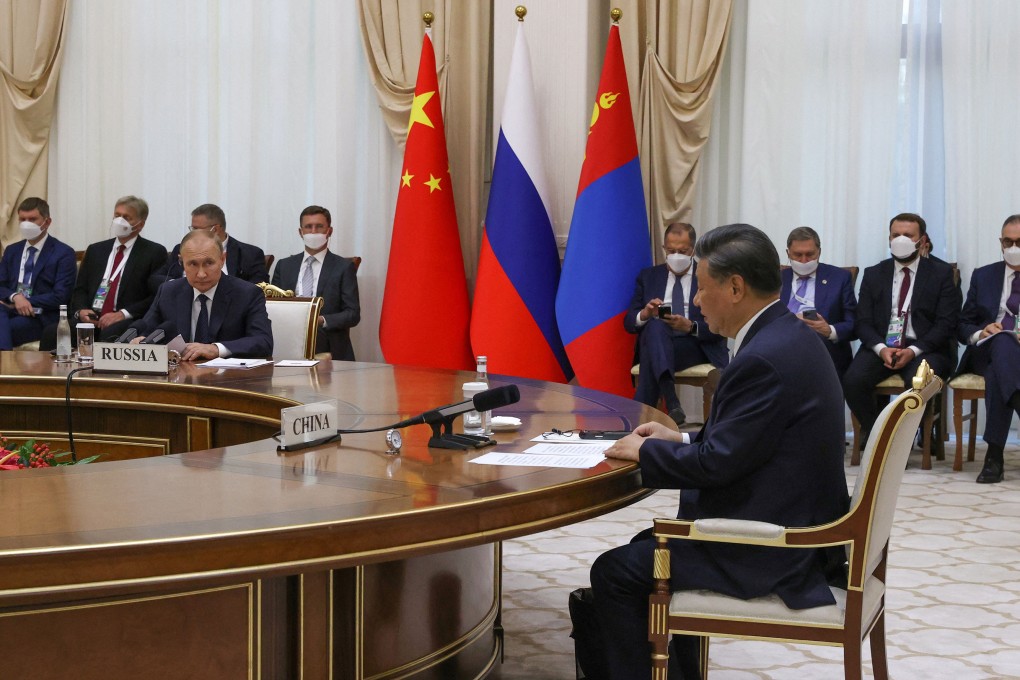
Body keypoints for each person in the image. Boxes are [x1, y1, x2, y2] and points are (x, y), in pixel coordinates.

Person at [584, 224, 850, 680]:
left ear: (735, 287)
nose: (697, 300)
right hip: (792, 518)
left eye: (703, 288)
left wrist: (644, 453)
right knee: (641, 548)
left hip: (773, 547)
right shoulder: (786, 334)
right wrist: (678, 440)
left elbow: (716, 464)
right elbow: (745, 440)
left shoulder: (764, 357)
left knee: (614, 572)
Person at [842, 213, 960, 446]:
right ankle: (880, 436)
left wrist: (913, 351)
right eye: (896, 235)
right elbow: (862, 321)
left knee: (918, 384)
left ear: (922, 240)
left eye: (908, 235)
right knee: (853, 381)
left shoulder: (940, 274)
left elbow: (946, 323)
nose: (901, 240)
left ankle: (901, 441)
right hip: (883, 346)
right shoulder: (874, 273)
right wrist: (881, 349)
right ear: (889, 239)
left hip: (926, 348)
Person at [625, 222, 728, 425]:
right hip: (659, 342)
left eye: (683, 251)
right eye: (671, 251)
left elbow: (722, 325)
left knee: (651, 351)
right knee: (655, 326)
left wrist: (689, 326)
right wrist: (645, 314)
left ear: (693, 250)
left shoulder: (711, 276)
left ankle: (642, 419)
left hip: (695, 346)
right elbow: (629, 323)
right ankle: (672, 402)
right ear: (664, 248)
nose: (676, 256)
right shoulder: (649, 276)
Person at [44, 195, 168, 346]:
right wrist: (81, 310)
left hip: (126, 319)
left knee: (110, 334)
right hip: (92, 317)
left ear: (140, 224)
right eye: (117, 215)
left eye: (126, 217)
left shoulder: (154, 252)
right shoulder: (96, 250)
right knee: (52, 332)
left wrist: (123, 314)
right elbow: (80, 288)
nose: (119, 221)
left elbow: (156, 295)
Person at [130, 230, 272, 360]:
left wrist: (216, 349)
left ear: (222, 259)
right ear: (181, 262)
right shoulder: (168, 291)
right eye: (193, 264)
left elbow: (263, 341)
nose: (201, 274)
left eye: (209, 263)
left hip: (226, 376)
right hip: (179, 374)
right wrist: (140, 340)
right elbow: (146, 330)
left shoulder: (247, 293)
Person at [957, 214, 1020, 484]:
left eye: (1019, 242)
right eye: (1008, 241)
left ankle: (994, 457)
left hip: (1006, 362)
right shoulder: (984, 275)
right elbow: (963, 324)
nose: (1013, 247)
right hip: (987, 348)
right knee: (1003, 341)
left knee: (997, 375)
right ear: (1000, 242)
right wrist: (981, 331)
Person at [270, 205, 361, 361]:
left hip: (325, 339)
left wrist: (319, 320)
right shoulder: (284, 266)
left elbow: (352, 314)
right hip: (288, 337)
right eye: (308, 227)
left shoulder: (343, 267)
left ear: (329, 231)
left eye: (319, 226)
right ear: (300, 232)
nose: (313, 232)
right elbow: (272, 306)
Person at [779, 226, 858, 375]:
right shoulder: (776, 279)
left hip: (822, 348)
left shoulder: (839, 278)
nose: (804, 260)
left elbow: (853, 324)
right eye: (798, 255)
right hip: (781, 345)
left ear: (819, 252)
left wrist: (829, 330)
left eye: (810, 254)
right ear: (788, 253)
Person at [0, 198, 77, 349]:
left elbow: (61, 296)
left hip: (40, 316)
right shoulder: (12, 251)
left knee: (7, 329)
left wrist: (25, 301)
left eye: (32, 219)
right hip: (9, 309)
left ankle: (4, 359)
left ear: (47, 222)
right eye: (22, 219)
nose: (26, 224)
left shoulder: (63, 253)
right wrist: (15, 297)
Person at [149, 203, 268, 290]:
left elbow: (259, 286)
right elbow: (155, 279)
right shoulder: (181, 249)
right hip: (183, 305)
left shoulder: (250, 253)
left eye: (196, 229)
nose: (192, 233)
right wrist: (178, 285)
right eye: (192, 228)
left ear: (215, 229)